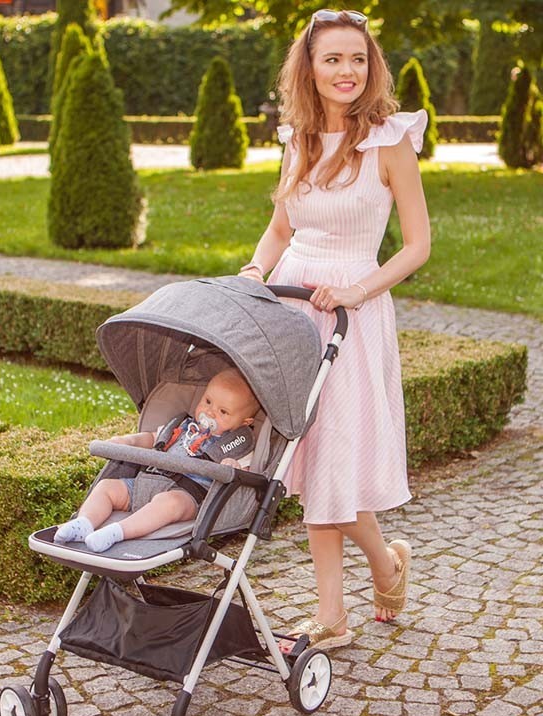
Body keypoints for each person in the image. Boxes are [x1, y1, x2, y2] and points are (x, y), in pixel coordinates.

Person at [240, 9, 430, 651]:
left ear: (371, 66)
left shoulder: (389, 141)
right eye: (333, 59)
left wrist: (358, 289)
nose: (347, 70)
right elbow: (281, 228)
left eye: (358, 59)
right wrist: (254, 269)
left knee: (334, 459)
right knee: (309, 457)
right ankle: (359, 591)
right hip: (295, 306)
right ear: (310, 68)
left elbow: (418, 246)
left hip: (353, 311)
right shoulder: (297, 139)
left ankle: (354, 596)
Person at [54, 368, 261, 553]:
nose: (210, 412)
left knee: (170, 504)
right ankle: (85, 523)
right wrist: (128, 441)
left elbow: (246, 477)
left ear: (245, 422)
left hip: (187, 494)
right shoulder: (181, 426)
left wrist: (233, 467)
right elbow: (152, 438)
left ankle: (117, 532)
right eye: (207, 401)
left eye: (223, 412)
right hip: (145, 483)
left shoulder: (235, 444)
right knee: (107, 487)